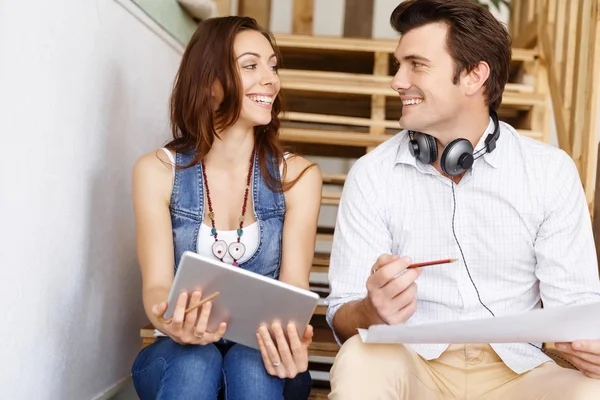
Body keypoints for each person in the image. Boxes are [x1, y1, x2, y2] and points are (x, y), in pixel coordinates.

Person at [325, 0, 600, 399]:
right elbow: (342, 319)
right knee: (358, 358)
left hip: (519, 373)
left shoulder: (549, 172)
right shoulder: (372, 175)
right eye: (398, 65)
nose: (397, 81)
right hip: (412, 363)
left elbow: (577, 306)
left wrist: (589, 346)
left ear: (474, 76)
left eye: (416, 65)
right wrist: (372, 310)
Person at [130, 16, 322, 400]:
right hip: (177, 356)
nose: (271, 79)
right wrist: (171, 320)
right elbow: (156, 286)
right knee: (196, 360)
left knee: (250, 362)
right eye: (251, 65)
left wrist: (292, 337)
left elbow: (295, 288)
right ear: (209, 83)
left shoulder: (299, 177)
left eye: (272, 65)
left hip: (266, 361)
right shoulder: (156, 171)